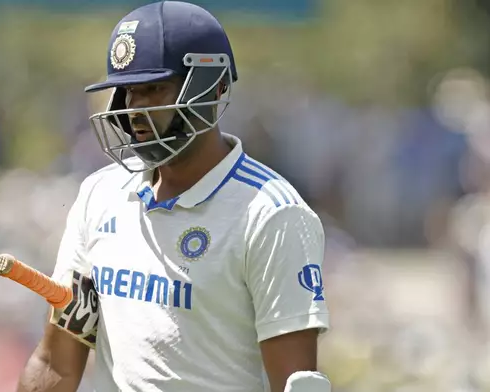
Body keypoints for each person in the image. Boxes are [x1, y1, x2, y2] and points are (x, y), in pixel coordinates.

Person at [17, 1, 330, 391]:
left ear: (213, 87)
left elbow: (294, 384)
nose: (134, 108)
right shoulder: (100, 196)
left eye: (154, 89)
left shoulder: (272, 215)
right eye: (129, 91)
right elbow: (56, 361)